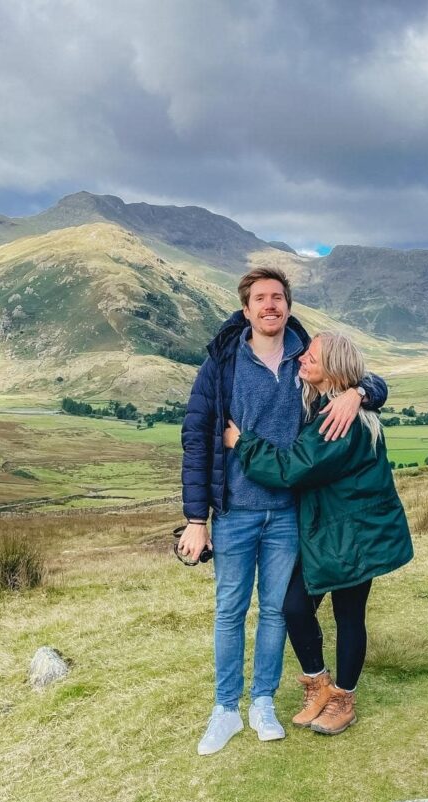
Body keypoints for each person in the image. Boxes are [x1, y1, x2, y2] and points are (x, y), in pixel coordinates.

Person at [178, 269, 388, 755]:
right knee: (230, 610)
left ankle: (264, 703)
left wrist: (360, 392)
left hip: (290, 515)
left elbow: (358, 375)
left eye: (278, 297)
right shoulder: (223, 360)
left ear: (288, 306)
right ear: (246, 309)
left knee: (276, 611)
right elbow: (196, 434)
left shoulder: (305, 354)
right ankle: (225, 709)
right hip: (233, 511)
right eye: (260, 299)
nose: (270, 305)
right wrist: (195, 518)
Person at [224, 331, 413, 736]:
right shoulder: (326, 403)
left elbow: (293, 467)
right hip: (328, 532)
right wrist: (361, 389)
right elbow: (373, 382)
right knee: (295, 607)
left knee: (348, 615)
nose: (301, 361)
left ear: (333, 368)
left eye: (311, 357)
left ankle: (343, 698)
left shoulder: (340, 421)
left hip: (353, 534)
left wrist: (242, 443)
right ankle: (320, 684)